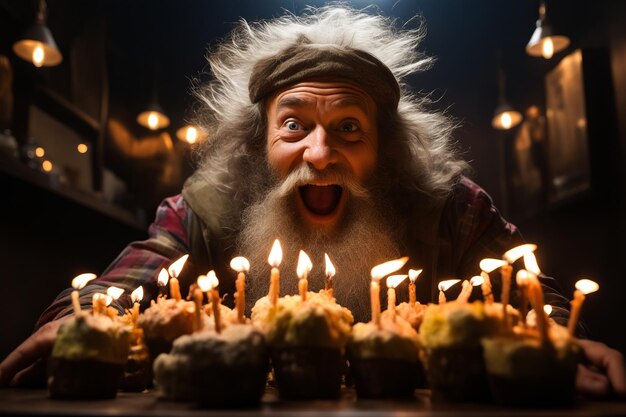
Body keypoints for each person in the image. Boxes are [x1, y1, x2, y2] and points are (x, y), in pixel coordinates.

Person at [1, 6, 624, 398]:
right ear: (256, 144)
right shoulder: (203, 210)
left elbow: (543, 305)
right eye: (293, 126)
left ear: (389, 151)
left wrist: (555, 336)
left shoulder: (451, 209)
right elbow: (116, 287)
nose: (320, 154)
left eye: (349, 128)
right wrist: (77, 323)